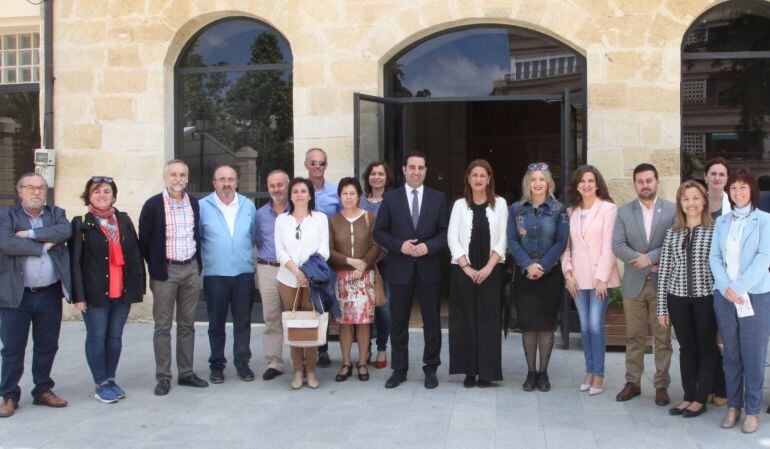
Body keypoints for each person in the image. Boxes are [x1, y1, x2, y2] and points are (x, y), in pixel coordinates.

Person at [373, 151, 449, 390]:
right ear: (404, 170)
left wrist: (428, 247)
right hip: (399, 268)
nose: (416, 172)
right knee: (398, 321)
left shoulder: (438, 198)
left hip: (429, 269)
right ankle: (399, 369)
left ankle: (430, 368)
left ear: (426, 171)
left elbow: (445, 233)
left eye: (421, 167)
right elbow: (379, 232)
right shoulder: (391, 199)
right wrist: (400, 246)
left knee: (431, 321)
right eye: (412, 167)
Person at [0, 173, 72, 417]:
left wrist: (30, 235)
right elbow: (7, 243)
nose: (36, 192)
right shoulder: (6, 215)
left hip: (49, 293)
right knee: (12, 347)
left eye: (41, 188)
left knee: (47, 345)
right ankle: (9, 394)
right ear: (19, 191)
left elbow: (64, 231)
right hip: (16, 295)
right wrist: (43, 246)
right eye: (30, 187)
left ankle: (42, 390)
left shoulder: (56, 213)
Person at [69, 176, 145, 404]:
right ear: (88, 196)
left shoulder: (123, 220)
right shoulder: (81, 222)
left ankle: (111, 379)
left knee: (114, 337)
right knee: (97, 336)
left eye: (107, 191)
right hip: (94, 293)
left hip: (121, 291)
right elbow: (74, 262)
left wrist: (137, 287)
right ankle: (100, 383)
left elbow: (135, 255)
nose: (102, 195)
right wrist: (78, 295)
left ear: (114, 195)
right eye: (96, 192)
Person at [139, 160, 208, 396]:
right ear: (165, 176)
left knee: (188, 324)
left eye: (182, 175)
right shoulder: (153, 205)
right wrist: (157, 267)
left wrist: (196, 265)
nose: (178, 179)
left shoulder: (194, 204)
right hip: (165, 272)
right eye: (173, 174)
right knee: (163, 325)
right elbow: (145, 242)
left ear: (187, 178)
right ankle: (164, 376)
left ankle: (186, 372)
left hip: (189, 269)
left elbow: (197, 235)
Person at [709, 168, 770, 434]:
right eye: (733, 188)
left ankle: (752, 410)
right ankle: (733, 406)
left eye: (743, 187)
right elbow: (714, 258)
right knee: (731, 354)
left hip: (755, 295)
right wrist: (726, 287)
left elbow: (764, 257)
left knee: (753, 355)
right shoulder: (722, 222)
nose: (738, 192)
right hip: (725, 297)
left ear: (752, 191)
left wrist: (740, 287)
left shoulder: (764, 220)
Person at [612, 163, 676, 405]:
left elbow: (673, 243)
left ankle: (661, 386)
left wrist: (648, 258)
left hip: (663, 286)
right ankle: (633, 383)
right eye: (640, 181)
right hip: (633, 284)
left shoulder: (671, 210)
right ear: (635, 184)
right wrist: (645, 262)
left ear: (657, 182)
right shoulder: (624, 212)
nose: (645, 185)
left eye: (649, 180)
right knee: (634, 337)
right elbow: (617, 245)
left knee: (662, 338)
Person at [656, 180, 716, 418]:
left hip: (706, 298)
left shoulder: (714, 231)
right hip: (677, 298)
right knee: (686, 348)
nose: (691, 203)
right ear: (680, 203)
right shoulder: (673, 233)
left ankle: (701, 398)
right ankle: (688, 395)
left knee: (706, 348)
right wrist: (662, 307)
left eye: (695, 198)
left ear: (704, 201)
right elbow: (665, 271)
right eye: (685, 199)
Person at [508, 163, 568, 392]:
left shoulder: (558, 210)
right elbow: (512, 241)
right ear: (527, 183)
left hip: (549, 273)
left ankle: (543, 373)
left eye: (542, 179)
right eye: (533, 179)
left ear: (549, 183)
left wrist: (541, 265)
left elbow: (561, 242)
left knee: (545, 325)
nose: (538, 183)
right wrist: (527, 264)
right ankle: (530, 372)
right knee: (529, 325)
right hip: (525, 273)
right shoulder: (516, 210)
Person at [448, 159, 508, 388]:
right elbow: (452, 238)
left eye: (483, 175)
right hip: (463, 271)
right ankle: (469, 371)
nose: (479, 179)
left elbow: (503, 238)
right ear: (468, 178)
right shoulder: (459, 205)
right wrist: (467, 267)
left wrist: (488, 267)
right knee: (465, 321)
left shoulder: (500, 204)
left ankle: (486, 372)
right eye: (475, 175)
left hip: (491, 270)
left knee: (488, 321)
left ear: (489, 179)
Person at [561, 165, 620, 396]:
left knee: (596, 325)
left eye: (590, 181)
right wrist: (567, 274)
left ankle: (599, 374)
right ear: (577, 185)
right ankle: (589, 370)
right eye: (582, 181)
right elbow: (567, 247)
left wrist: (602, 278)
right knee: (585, 327)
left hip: (599, 278)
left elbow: (609, 246)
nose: (586, 185)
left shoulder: (608, 209)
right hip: (577, 278)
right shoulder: (572, 211)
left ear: (597, 184)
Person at [199, 165, 258, 384]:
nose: (226, 184)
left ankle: (242, 363)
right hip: (215, 275)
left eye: (231, 179)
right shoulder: (202, 206)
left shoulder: (248, 205)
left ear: (237, 182)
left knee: (243, 322)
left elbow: (252, 236)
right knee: (216, 324)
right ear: (213, 182)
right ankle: (217, 365)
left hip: (243, 274)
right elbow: (199, 237)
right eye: (221, 179)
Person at [275, 177, 330, 389]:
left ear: (310, 195)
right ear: (290, 196)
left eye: (303, 191)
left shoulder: (320, 219)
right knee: (294, 324)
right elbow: (279, 251)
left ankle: (311, 370)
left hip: (313, 280)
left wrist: (307, 272)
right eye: (295, 191)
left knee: (311, 324)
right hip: (287, 279)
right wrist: (296, 271)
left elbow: (323, 250)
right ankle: (298, 370)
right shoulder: (282, 220)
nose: (299, 194)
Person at [329, 178, 380, 382]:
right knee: (345, 323)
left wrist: (363, 264)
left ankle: (362, 362)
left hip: (365, 277)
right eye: (344, 193)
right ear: (339, 196)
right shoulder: (332, 221)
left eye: (352, 193)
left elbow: (376, 245)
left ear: (358, 195)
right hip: (343, 278)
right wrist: (350, 261)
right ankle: (346, 362)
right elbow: (329, 251)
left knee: (363, 322)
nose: (349, 197)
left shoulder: (369, 217)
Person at [304, 147, 340, 367]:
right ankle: (307, 348)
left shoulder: (336, 192)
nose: (317, 166)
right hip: (303, 256)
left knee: (325, 301)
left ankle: (323, 348)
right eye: (313, 162)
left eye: (321, 162)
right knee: (307, 303)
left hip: (326, 256)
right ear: (306, 164)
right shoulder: (299, 190)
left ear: (326, 165)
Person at [254, 170, 290, 381]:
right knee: (271, 317)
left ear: (287, 185)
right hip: (267, 268)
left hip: (292, 269)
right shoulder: (260, 214)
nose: (276, 189)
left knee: (295, 315)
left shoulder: (297, 211)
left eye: (280, 185)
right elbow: (258, 240)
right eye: (272, 186)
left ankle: (300, 359)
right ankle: (274, 362)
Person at [360, 161, 394, 369]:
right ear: (368, 177)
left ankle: (382, 347)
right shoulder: (360, 200)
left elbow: (395, 231)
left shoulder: (393, 200)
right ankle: (366, 348)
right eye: (373, 174)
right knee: (363, 307)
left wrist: (379, 255)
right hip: (361, 262)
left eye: (381, 174)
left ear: (387, 177)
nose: (377, 177)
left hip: (385, 261)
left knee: (383, 305)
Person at [702, 157, 729, 407]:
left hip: (725, 280)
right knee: (706, 334)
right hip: (701, 279)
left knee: (723, 336)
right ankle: (709, 384)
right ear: (706, 177)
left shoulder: (735, 204)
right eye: (713, 173)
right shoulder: (697, 202)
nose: (717, 178)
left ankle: (723, 384)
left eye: (722, 174)